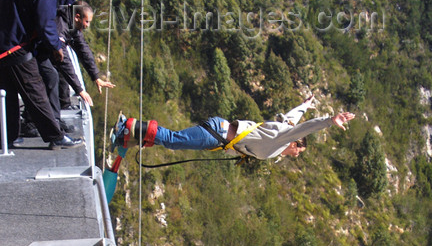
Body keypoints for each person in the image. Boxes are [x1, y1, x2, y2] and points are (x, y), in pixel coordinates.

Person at [0, 0, 82, 149]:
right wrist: (55, 47)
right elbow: (46, 24)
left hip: (3, 46)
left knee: (8, 93)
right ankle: (56, 136)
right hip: (16, 48)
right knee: (35, 90)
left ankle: (8, 137)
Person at [110, 96, 355, 161]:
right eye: (297, 152)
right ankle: (127, 127)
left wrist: (304, 105)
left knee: (174, 140)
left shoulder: (280, 136)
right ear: (294, 144)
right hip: (215, 134)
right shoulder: (280, 140)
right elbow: (301, 128)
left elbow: (292, 118)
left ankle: (128, 136)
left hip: (218, 133)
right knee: (173, 140)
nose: (294, 155)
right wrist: (329, 121)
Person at [55, 3, 115, 104]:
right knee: (51, 79)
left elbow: (83, 50)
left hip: (51, 56)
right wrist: (80, 90)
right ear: (77, 17)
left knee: (63, 91)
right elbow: (64, 60)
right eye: (86, 21)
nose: (87, 25)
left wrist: (96, 77)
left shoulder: (72, 25)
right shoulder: (61, 27)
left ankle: (62, 106)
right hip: (39, 54)